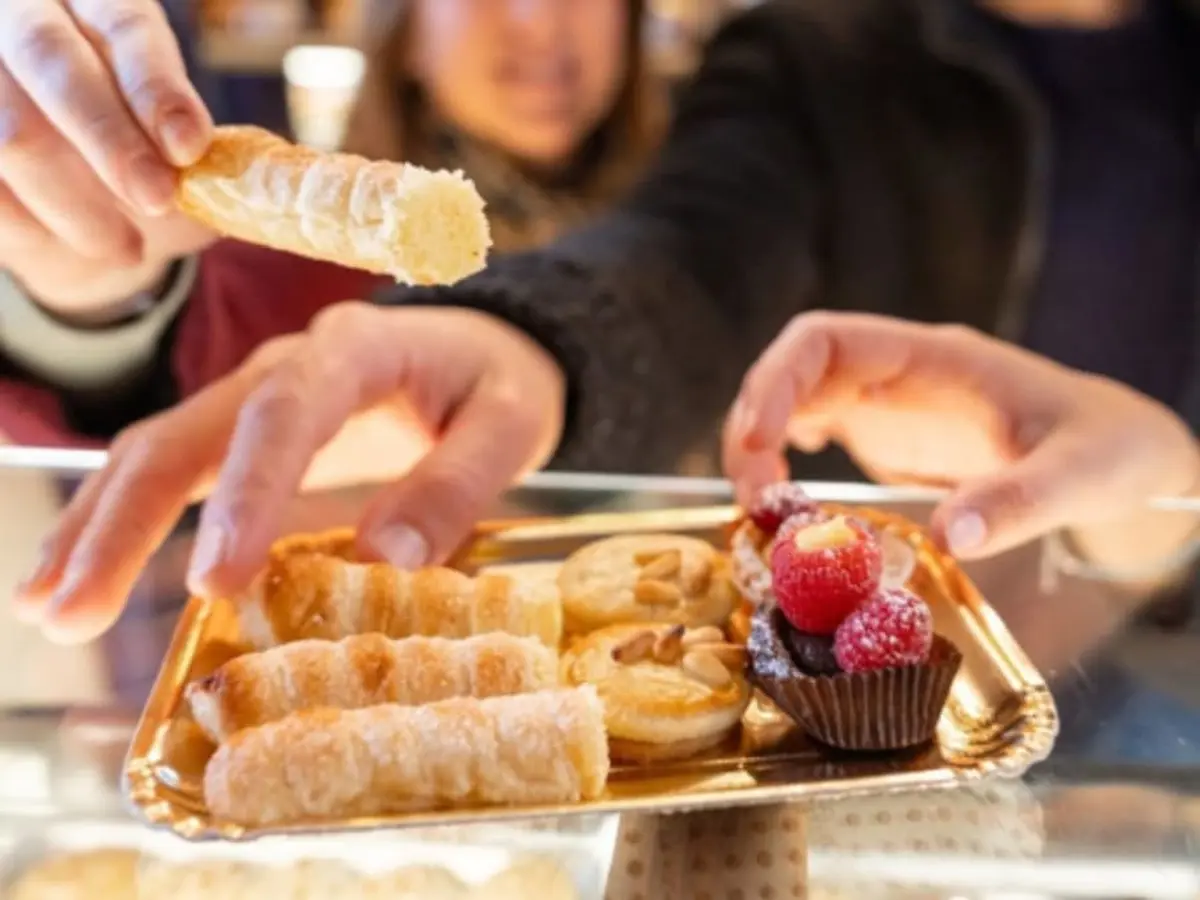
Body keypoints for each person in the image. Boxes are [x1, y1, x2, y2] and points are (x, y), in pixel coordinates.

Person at [10, 0, 1200, 640]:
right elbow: (684, 271)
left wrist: (1167, 504)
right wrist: (525, 350)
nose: (542, 29)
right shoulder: (809, 55)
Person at [0, 0, 663, 445]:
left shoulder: (719, 232)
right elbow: (133, 410)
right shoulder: (283, 271)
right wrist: (94, 303)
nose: (539, 19)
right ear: (404, 33)